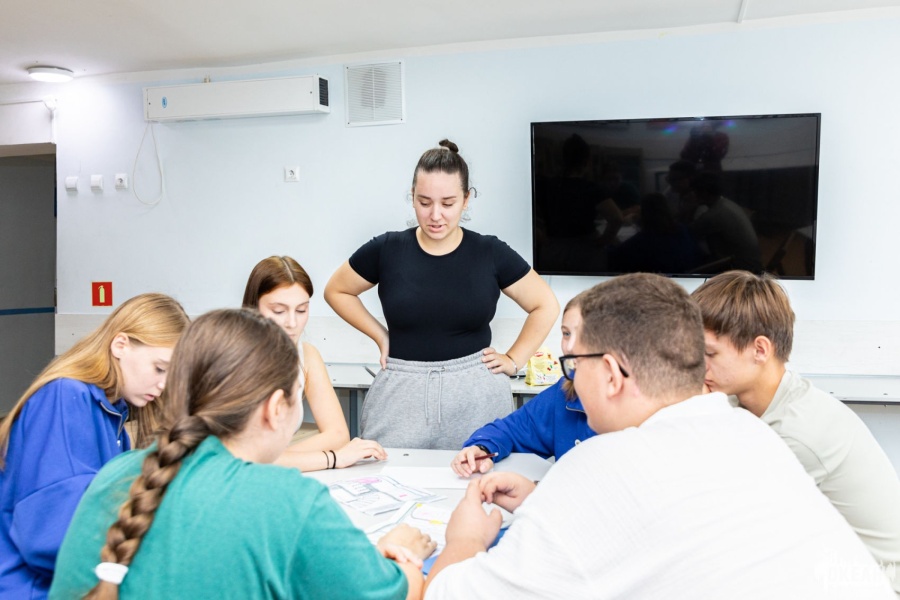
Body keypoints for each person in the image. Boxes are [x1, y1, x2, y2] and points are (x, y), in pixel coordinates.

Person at [424, 273, 893, 599]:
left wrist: (465, 540)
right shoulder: (749, 434)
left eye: (573, 365)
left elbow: (449, 594)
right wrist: (541, 501)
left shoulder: (602, 464)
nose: (571, 381)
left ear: (611, 373)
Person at [50, 309, 435, 599]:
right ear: (275, 408)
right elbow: (395, 593)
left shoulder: (116, 474)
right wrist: (405, 552)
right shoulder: (289, 500)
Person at [325, 139, 559, 450]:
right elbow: (337, 290)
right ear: (412, 197)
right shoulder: (387, 249)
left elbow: (545, 304)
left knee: (480, 475)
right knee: (387, 473)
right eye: (424, 202)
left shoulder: (490, 252)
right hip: (400, 394)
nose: (436, 215)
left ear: (466, 199)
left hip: (477, 396)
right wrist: (381, 336)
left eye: (448, 203)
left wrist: (514, 360)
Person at [692, 270, 900, 594]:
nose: (698, 367)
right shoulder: (751, 396)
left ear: (760, 350)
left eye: (709, 354)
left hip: (873, 583)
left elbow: (726, 524)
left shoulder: (799, 434)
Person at [0, 293, 189, 600]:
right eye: (159, 368)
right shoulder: (65, 397)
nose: (164, 385)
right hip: (32, 588)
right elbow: (51, 535)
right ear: (120, 345)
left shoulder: (112, 413)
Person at [243, 255, 387, 471]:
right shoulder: (233, 359)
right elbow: (246, 459)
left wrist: (282, 459)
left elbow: (337, 435)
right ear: (254, 307)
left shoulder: (306, 355)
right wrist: (333, 458)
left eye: (301, 310)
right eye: (279, 311)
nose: (292, 323)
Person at [450, 294, 594, 477]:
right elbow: (511, 429)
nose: (570, 347)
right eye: (566, 334)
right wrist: (482, 448)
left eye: (585, 334)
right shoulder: (564, 391)